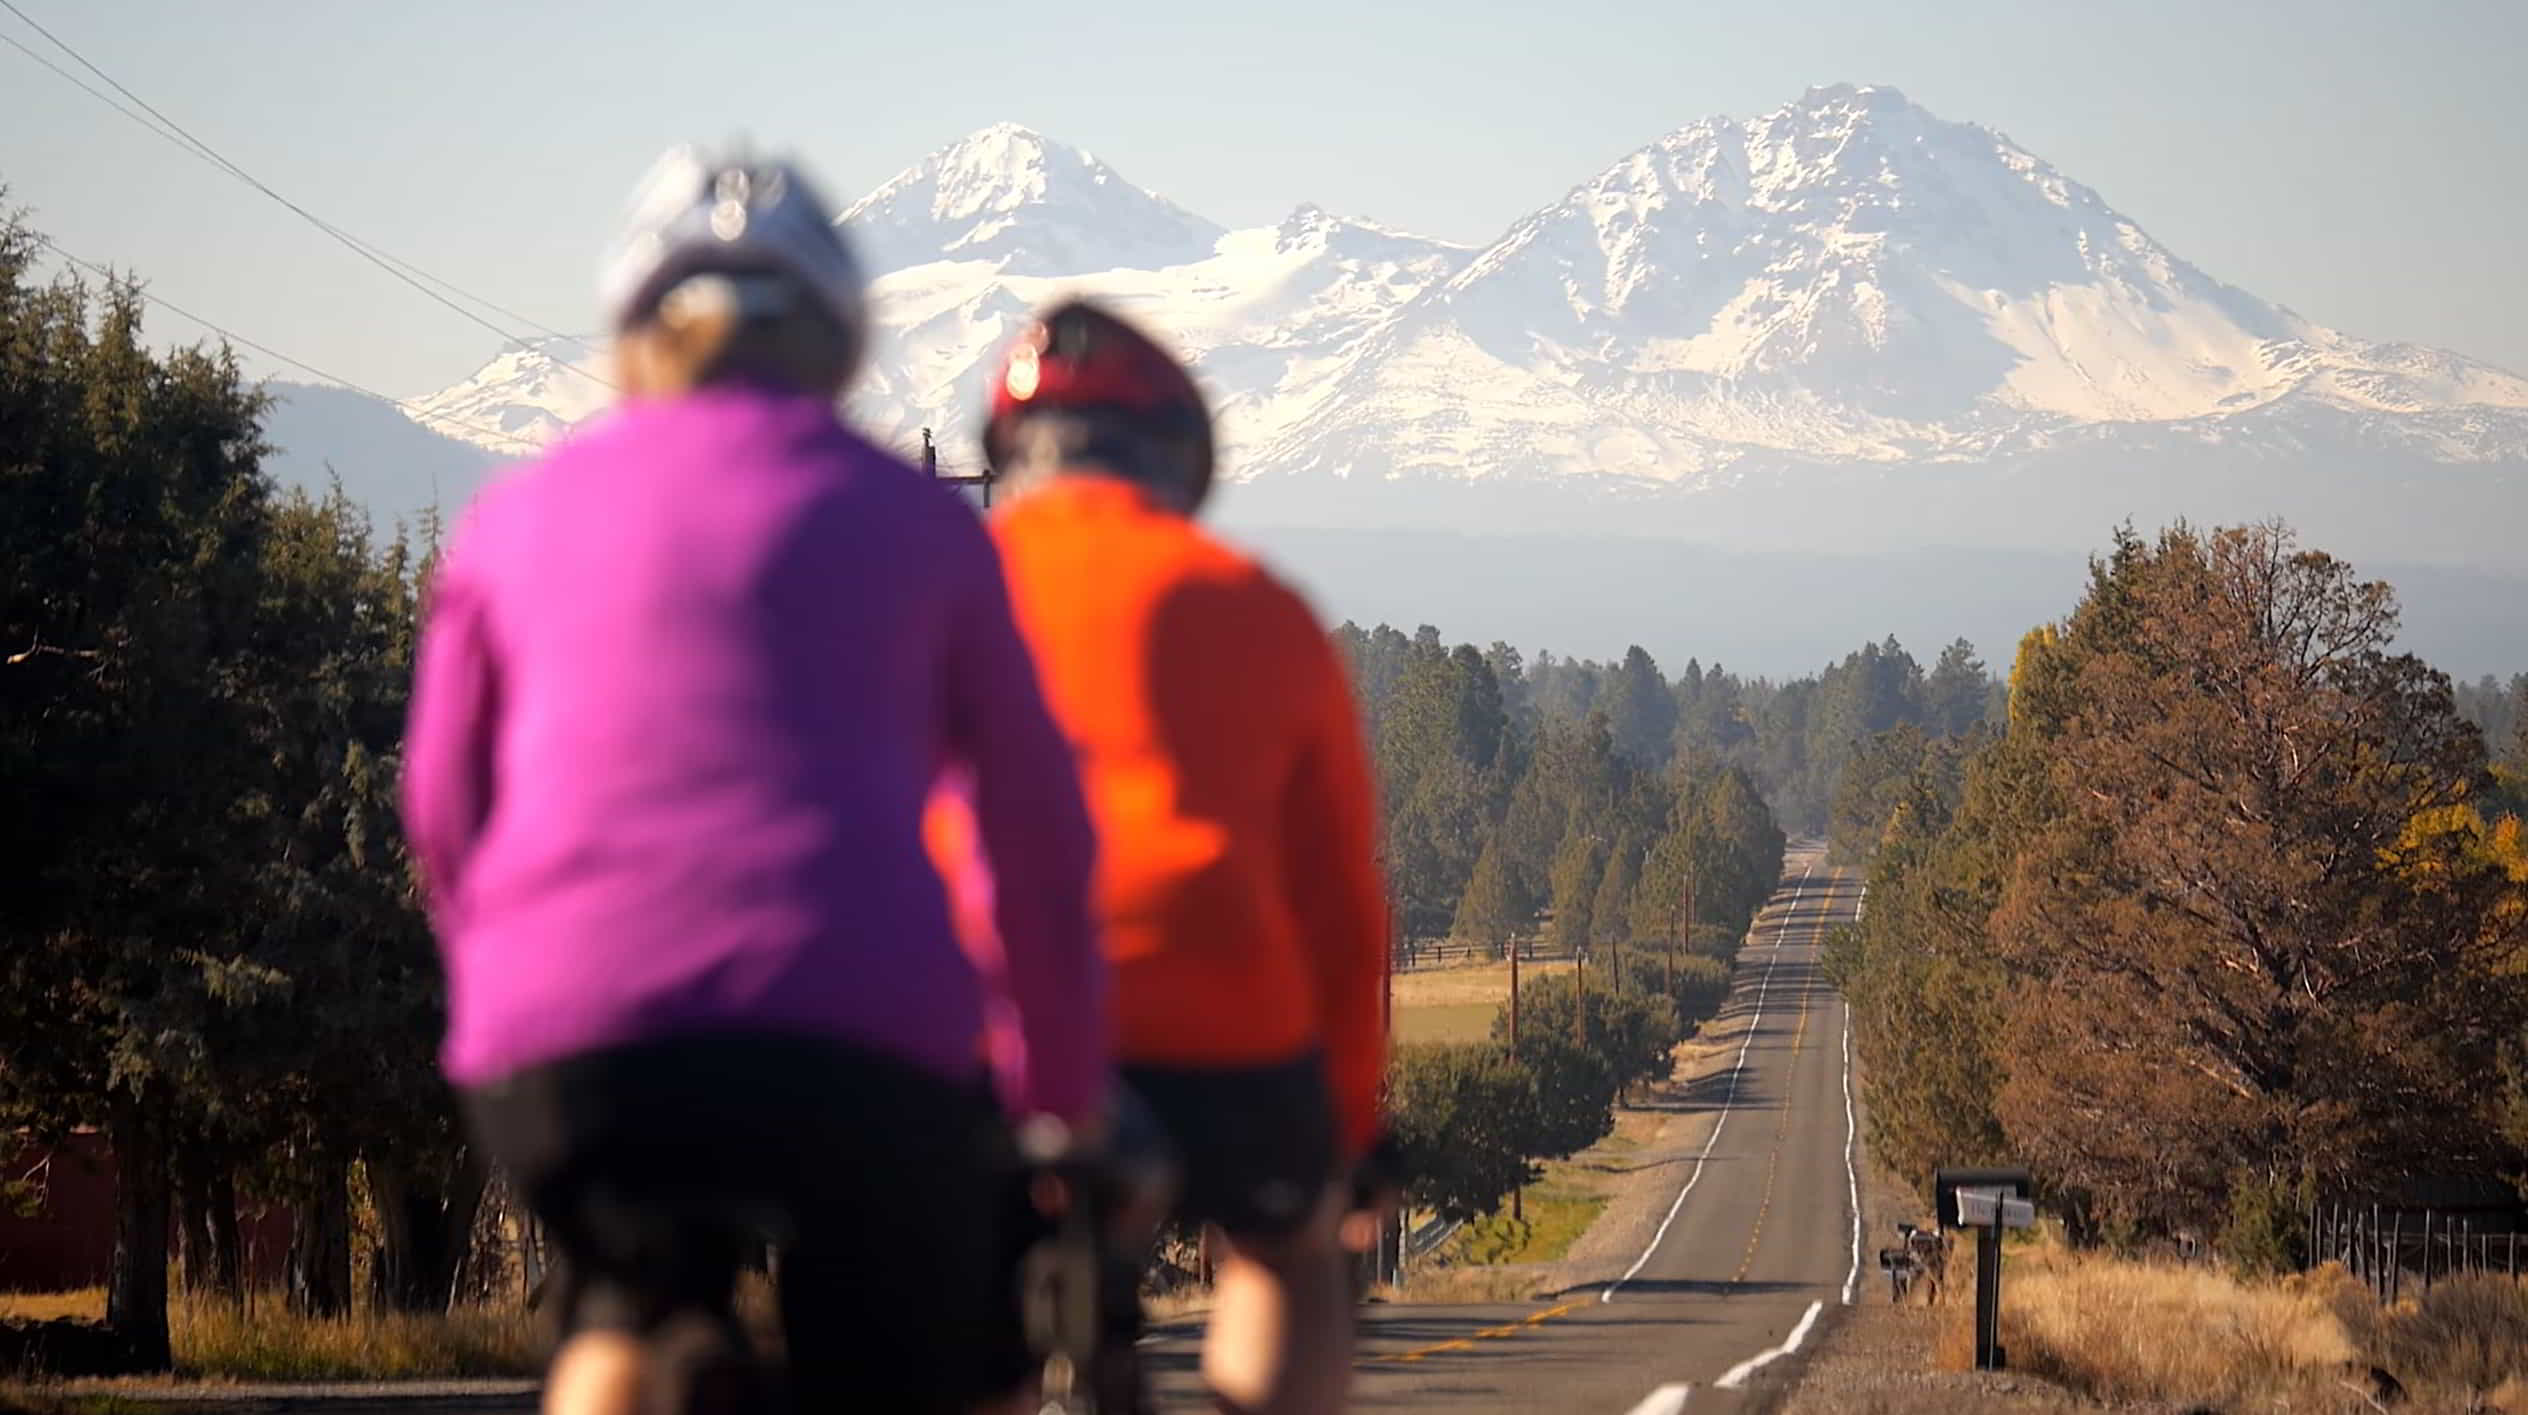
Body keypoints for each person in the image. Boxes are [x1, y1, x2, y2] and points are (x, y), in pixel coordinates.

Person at [401, 146, 1106, 1415]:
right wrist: (1056, 1103)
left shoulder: (510, 522)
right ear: (837, 342)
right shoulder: (925, 526)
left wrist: (518, 976)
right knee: (906, 1358)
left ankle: (629, 1355)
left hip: (574, 1044)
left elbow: (443, 812)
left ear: (635, 332)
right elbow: (1036, 840)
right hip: (862, 1036)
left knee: (618, 1318)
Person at [975, 300, 1391, 1415]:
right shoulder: (1256, 606)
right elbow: (1342, 915)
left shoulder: (930, 587)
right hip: (1210, 1012)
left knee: (942, 1295)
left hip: (977, 1015)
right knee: (1287, 1250)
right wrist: (1344, 1136)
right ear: (1175, 461)